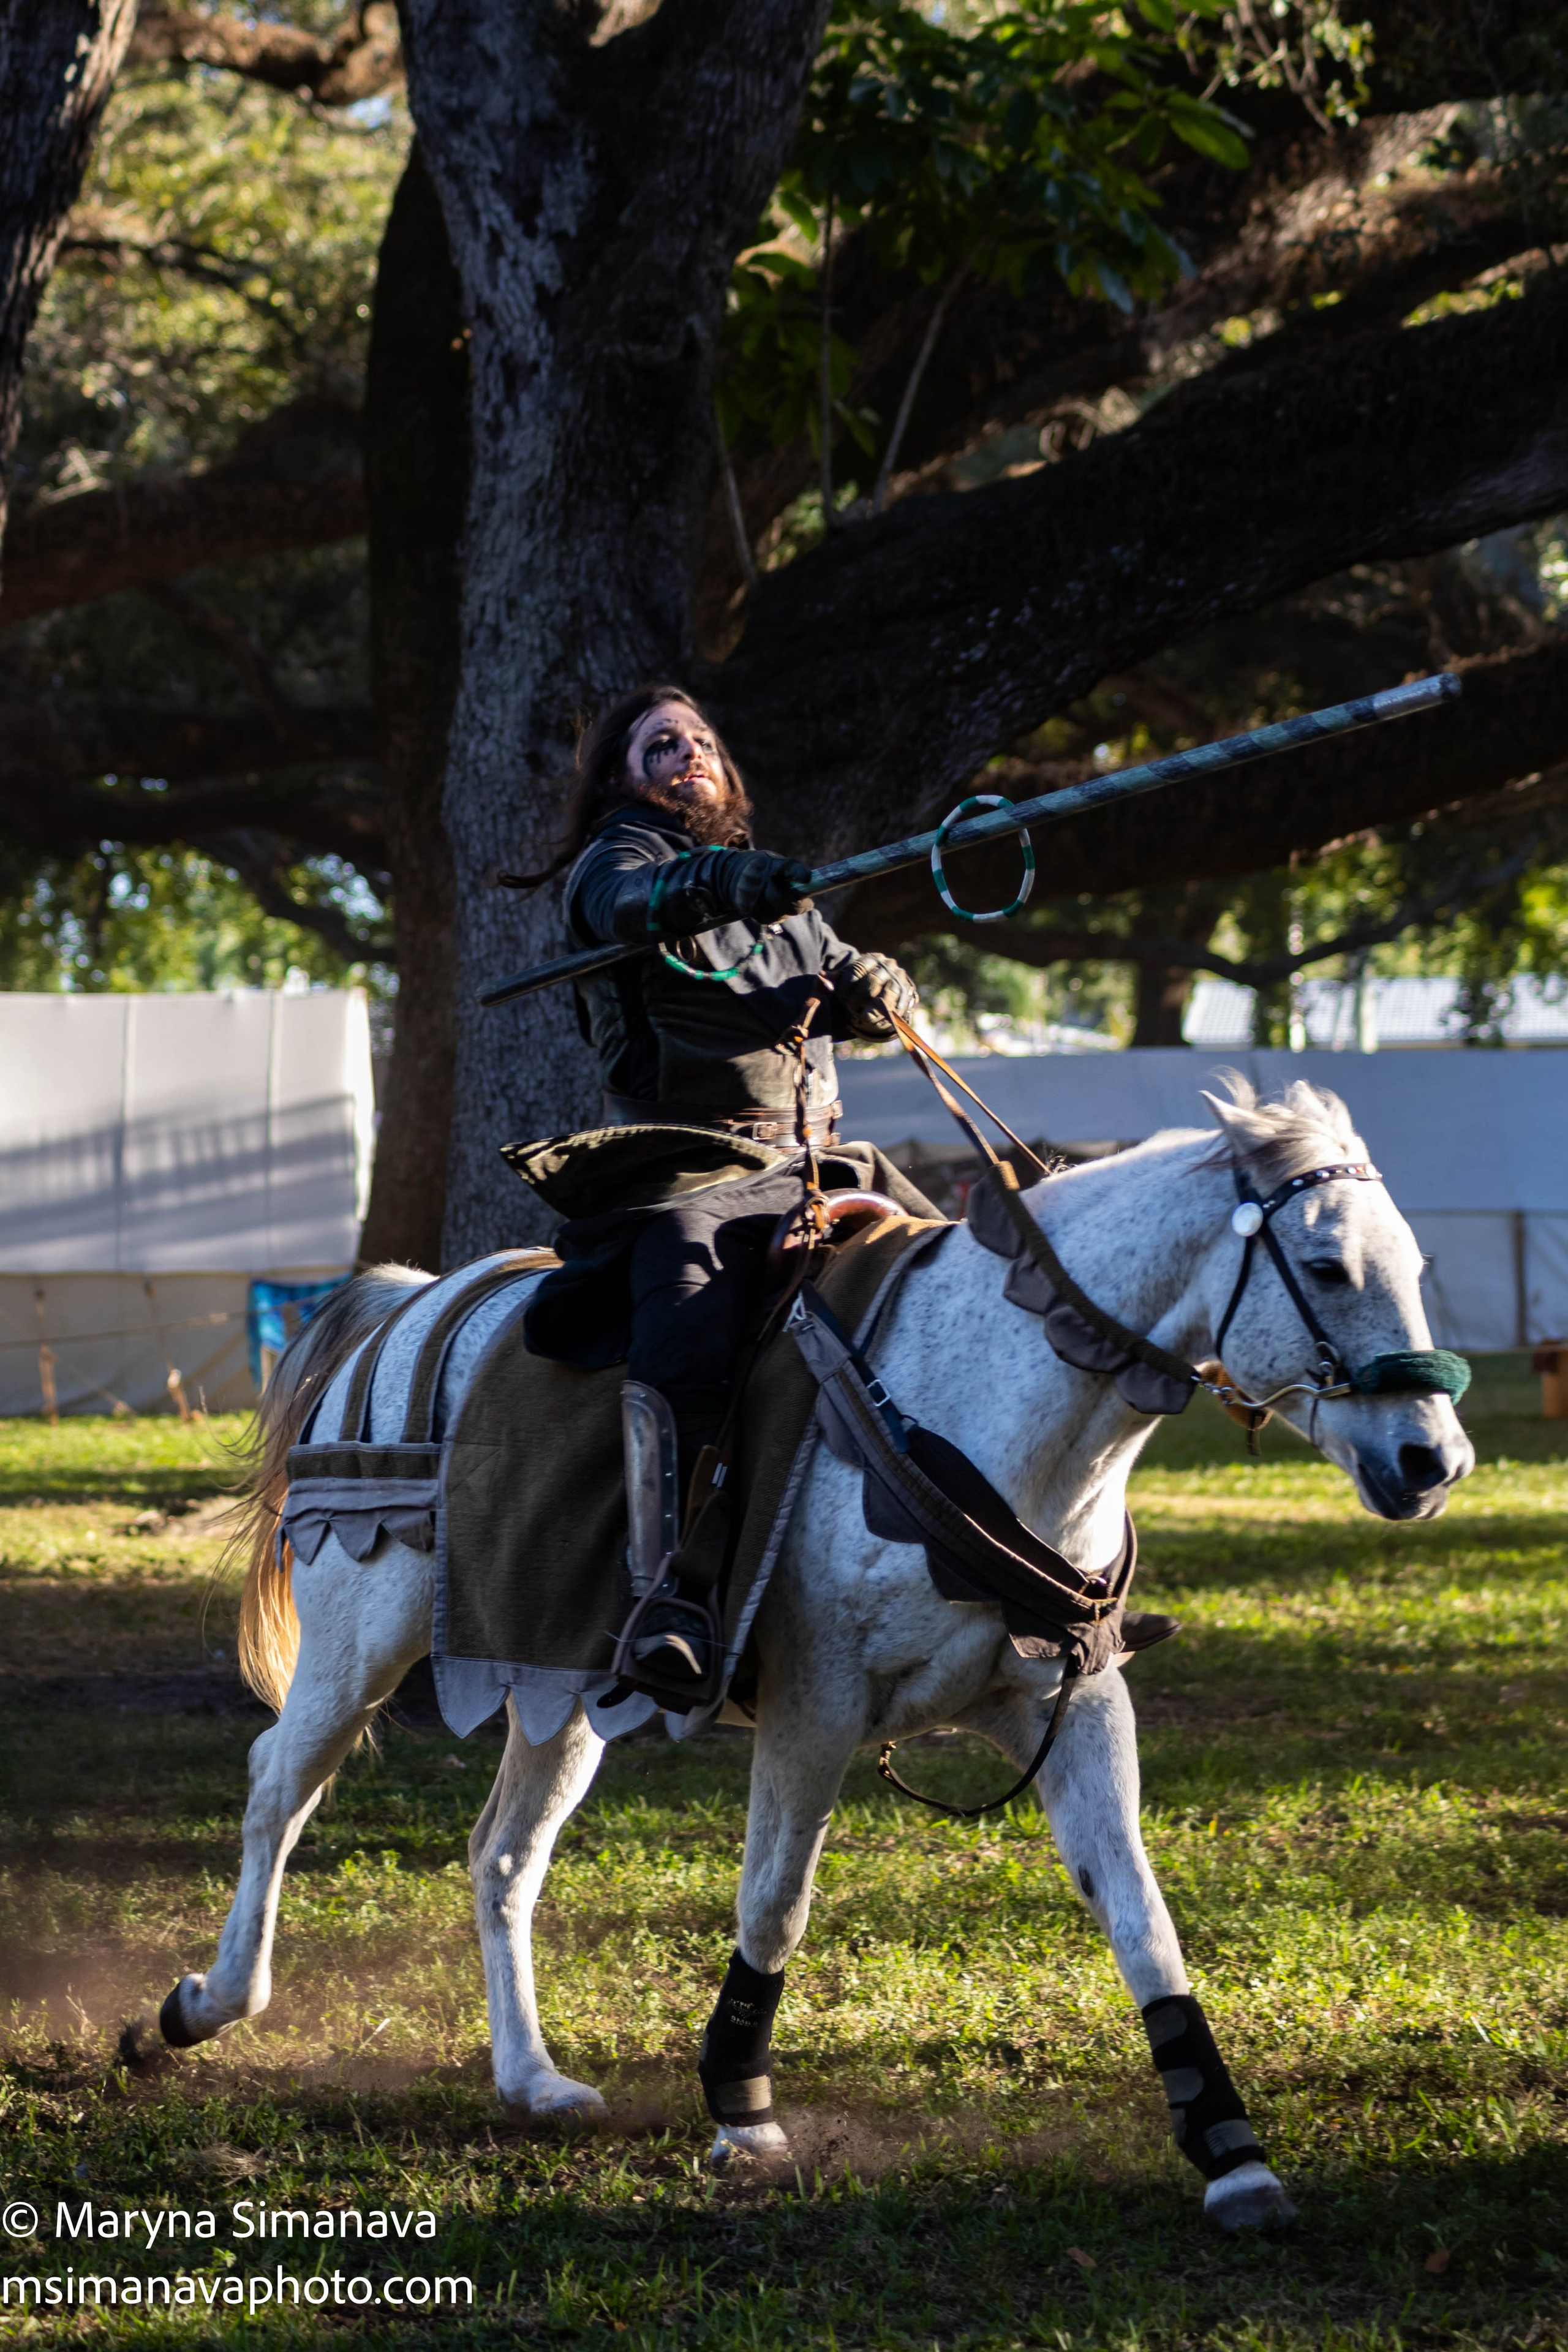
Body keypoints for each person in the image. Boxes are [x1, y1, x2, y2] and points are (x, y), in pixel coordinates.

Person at [508, 682, 926, 1700]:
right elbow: (631, 908)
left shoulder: (785, 899)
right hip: (690, 1166)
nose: (689, 753)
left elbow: (844, 979)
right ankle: (670, 1595)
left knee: (956, 1282)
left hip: (823, 1162)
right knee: (690, 1310)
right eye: (661, 745)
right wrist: (728, 878)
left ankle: (1010, 1566)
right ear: (622, 779)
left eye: (701, 740)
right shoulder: (616, 862)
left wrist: (882, 989)